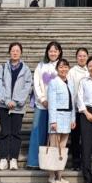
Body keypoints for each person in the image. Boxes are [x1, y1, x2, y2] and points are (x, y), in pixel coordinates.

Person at [0, 41, 33, 170]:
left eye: (17, 51)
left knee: (16, 133)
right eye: (13, 50)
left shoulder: (26, 69)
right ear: (9, 52)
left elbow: (27, 87)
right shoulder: (2, 67)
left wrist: (16, 101)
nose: (15, 53)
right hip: (3, 106)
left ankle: (14, 159)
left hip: (18, 107)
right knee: (5, 132)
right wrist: (6, 101)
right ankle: (3, 159)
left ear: (21, 53)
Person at [27, 40, 63, 169]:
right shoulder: (41, 66)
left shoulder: (62, 66)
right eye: (50, 51)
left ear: (59, 52)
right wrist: (42, 99)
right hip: (42, 105)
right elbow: (36, 83)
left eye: (55, 51)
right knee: (37, 131)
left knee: (54, 134)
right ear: (47, 52)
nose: (53, 53)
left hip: (57, 106)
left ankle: (51, 162)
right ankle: (33, 161)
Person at [47, 58, 76, 183]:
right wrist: (53, 121)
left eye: (65, 67)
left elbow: (72, 103)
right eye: (61, 67)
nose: (63, 69)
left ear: (68, 68)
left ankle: (59, 175)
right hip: (57, 118)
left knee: (62, 150)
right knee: (54, 148)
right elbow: (52, 103)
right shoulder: (53, 82)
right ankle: (51, 176)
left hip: (67, 117)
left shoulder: (70, 82)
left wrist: (73, 119)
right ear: (57, 69)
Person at [68, 47, 89, 170]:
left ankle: (85, 161)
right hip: (75, 110)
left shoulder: (90, 70)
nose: (82, 58)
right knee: (75, 138)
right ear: (76, 58)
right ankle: (76, 162)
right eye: (80, 56)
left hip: (88, 110)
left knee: (86, 138)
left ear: (87, 57)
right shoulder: (72, 71)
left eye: (84, 56)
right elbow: (70, 91)